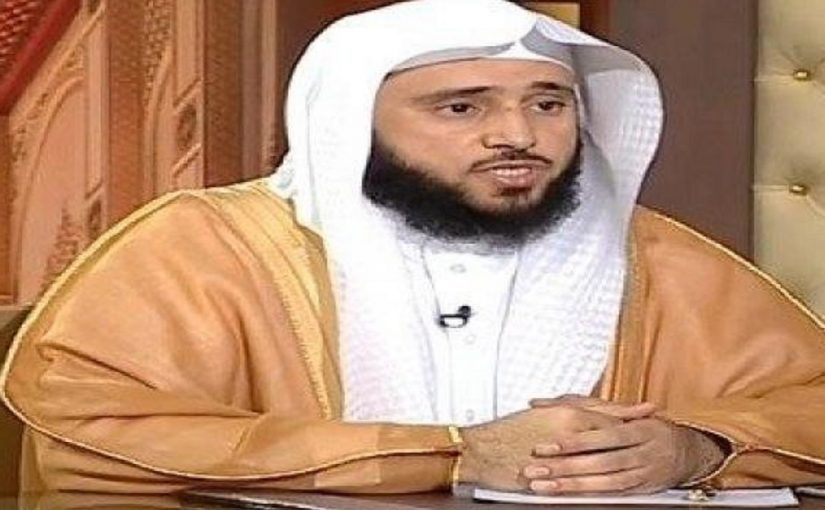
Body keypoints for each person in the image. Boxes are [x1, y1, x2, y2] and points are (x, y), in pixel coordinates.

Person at [2, 0, 825, 496]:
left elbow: (808, 404)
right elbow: (90, 429)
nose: (517, 135)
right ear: (351, 126)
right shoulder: (204, 248)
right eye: (461, 108)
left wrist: (695, 448)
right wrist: (450, 458)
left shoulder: (660, 259)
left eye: (548, 104)